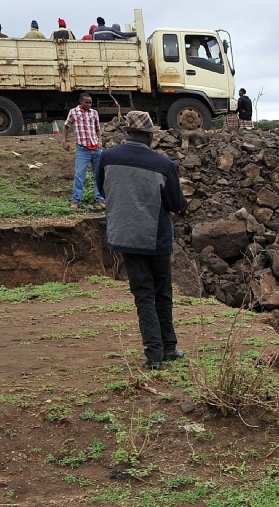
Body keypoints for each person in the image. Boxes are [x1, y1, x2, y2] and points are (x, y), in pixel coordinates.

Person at [98, 111, 188, 371]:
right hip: (156, 238)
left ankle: (155, 354)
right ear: (149, 135)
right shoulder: (162, 164)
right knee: (162, 293)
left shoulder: (108, 157)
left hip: (124, 236)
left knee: (143, 296)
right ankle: (167, 348)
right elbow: (176, 203)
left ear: (127, 132)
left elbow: (103, 188)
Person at [62, 93, 105, 209]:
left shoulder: (94, 113)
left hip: (96, 148)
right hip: (82, 149)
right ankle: (75, 200)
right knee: (79, 175)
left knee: (99, 175)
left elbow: (97, 129)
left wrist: (99, 141)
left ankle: (100, 199)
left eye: (90, 103)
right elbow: (66, 126)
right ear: (81, 101)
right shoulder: (74, 112)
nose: (89, 105)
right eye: (86, 102)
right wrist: (64, 141)